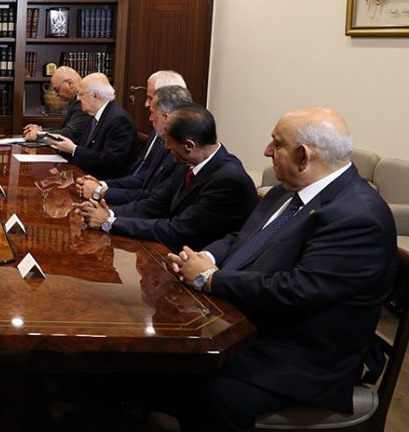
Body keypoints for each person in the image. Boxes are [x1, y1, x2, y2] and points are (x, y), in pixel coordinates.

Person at [166, 107, 396, 431]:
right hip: (252, 324)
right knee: (170, 363)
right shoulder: (286, 191)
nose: (267, 151)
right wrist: (205, 257)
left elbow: (297, 290)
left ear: (303, 156)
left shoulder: (358, 217)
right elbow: (242, 238)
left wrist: (209, 279)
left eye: (277, 143)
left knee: (208, 391)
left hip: (303, 355)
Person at [74, 104, 257, 251]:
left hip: (196, 260)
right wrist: (108, 213)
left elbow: (179, 229)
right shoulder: (187, 163)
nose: (166, 147)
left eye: (169, 142)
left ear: (189, 146)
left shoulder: (228, 180)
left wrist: (109, 223)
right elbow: (156, 204)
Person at [76, 84, 191, 205]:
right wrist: (101, 184)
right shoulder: (160, 138)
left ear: (166, 117)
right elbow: (143, 178)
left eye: (152, 112)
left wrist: (100, 192)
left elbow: (154, 198)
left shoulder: (181, 152)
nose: (150, 118)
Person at [44, 73, 137, 179]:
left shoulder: (118, 120)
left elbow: (110, 161)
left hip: (106, 181)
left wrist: (74, 149)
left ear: (95, 95)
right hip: (86, 175)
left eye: (81, 94)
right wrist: (61, 146)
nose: (78, 99)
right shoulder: (93, 115)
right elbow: (85, 148)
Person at [22, 66, 90, 142]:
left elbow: (70, 134)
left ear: (70, 83)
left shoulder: (82, 101)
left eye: (57, 90)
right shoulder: (75, 100)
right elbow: (65, 130)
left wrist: (39, 133)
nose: (57, 94)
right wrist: (41, 130)